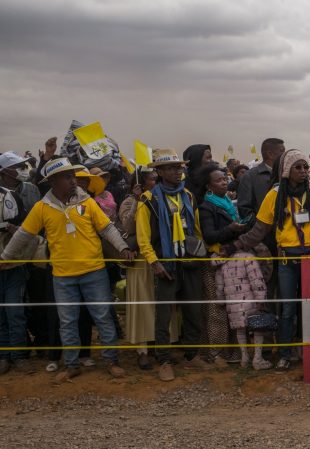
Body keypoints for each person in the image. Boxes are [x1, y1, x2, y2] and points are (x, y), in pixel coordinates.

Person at [1, 157, 133, 381]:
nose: (74, 181)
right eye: (67, 177)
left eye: (73, 176)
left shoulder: (88, 203)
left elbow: (106, 228)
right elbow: (23, 235)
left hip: (94, 271)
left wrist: (123, 246)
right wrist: (5, 257)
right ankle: (72, 364)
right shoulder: (42, 208)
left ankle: (111, 361)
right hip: (62, 275)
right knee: (67, 321)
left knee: (102, 317)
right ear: (53, 181)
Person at [230, 149, 310, 371]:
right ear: (286, 171)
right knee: (288, 308)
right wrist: (234, 245)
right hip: (286, 261)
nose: (303, 171)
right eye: (298, 167)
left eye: (305, 167)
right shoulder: (274, 195)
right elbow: (260, 229)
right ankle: (285, 353)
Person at [136, 148, 210, 382]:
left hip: (188, 262)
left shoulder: (188, 196)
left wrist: (200, 255)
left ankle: (191, 355)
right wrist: (154, 262)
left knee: (192, 310)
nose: (178, 172)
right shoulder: (148, 201)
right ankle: (164, 360)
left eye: (179, 167)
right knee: (164, 314)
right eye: (171, 168)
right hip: (165, 263)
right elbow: (143, 237)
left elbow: (196, 229)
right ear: (158, 172)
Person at [198, 166, 251, 367]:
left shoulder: (227, 202)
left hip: (230, 258)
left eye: (225, 178)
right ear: (209, 186)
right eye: (219, 180)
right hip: (215, 261)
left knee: (233, 305)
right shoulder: (206, 207)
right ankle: (216, 352)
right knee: (216, 307)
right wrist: (231, 228)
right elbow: (209, 235)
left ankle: (233, 350)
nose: (224, 182)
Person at [119, 168, 158, 369]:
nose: (156, 181)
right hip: (140, 259)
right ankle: (142, 350)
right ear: (140, 184)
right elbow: (127, 227)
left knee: (157, 304)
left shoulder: (159, 198)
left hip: (157, 257)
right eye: (152, 179)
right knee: (142, 304)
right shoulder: (128, 202)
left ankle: (157, 345)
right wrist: (136, 200)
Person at [0, 174, 30, 373]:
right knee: (1, 313)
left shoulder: (11, 197)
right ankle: (4, 355)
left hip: (12, 266)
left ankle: (18, 355)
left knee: (14, 312)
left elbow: (27, 228)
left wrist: (14, 230)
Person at [237, 138, 285, 220]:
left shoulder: (286, 174)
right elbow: (244, 209)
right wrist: (261, 227)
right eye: (282, 151)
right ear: (270, 154)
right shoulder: (250, 176)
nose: (286, 155)